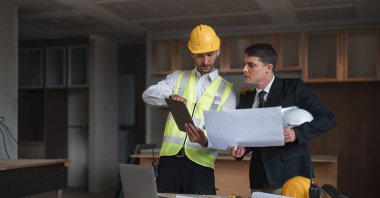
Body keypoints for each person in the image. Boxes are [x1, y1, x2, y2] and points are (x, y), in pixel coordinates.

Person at [227, 43, 336, 194]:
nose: (244, 69)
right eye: (244, 64)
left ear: (268, 68)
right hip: (258, 178)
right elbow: (253, 136)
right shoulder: (246, 99)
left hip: (291, 177)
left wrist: (296, 133)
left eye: (251, 65)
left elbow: (328, 118)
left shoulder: (295, 88)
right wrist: (243, 149)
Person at [142, 24, 236, 195]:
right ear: (192, 53)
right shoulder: (177, 77)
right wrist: (169, 96)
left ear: (218, 51)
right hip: (169, 162)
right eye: (200, 55)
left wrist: (205, 140)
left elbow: (225, 135)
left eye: (210, 54)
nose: (206, 61)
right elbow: (147, 95)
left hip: (201, 165)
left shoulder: (227, 91)